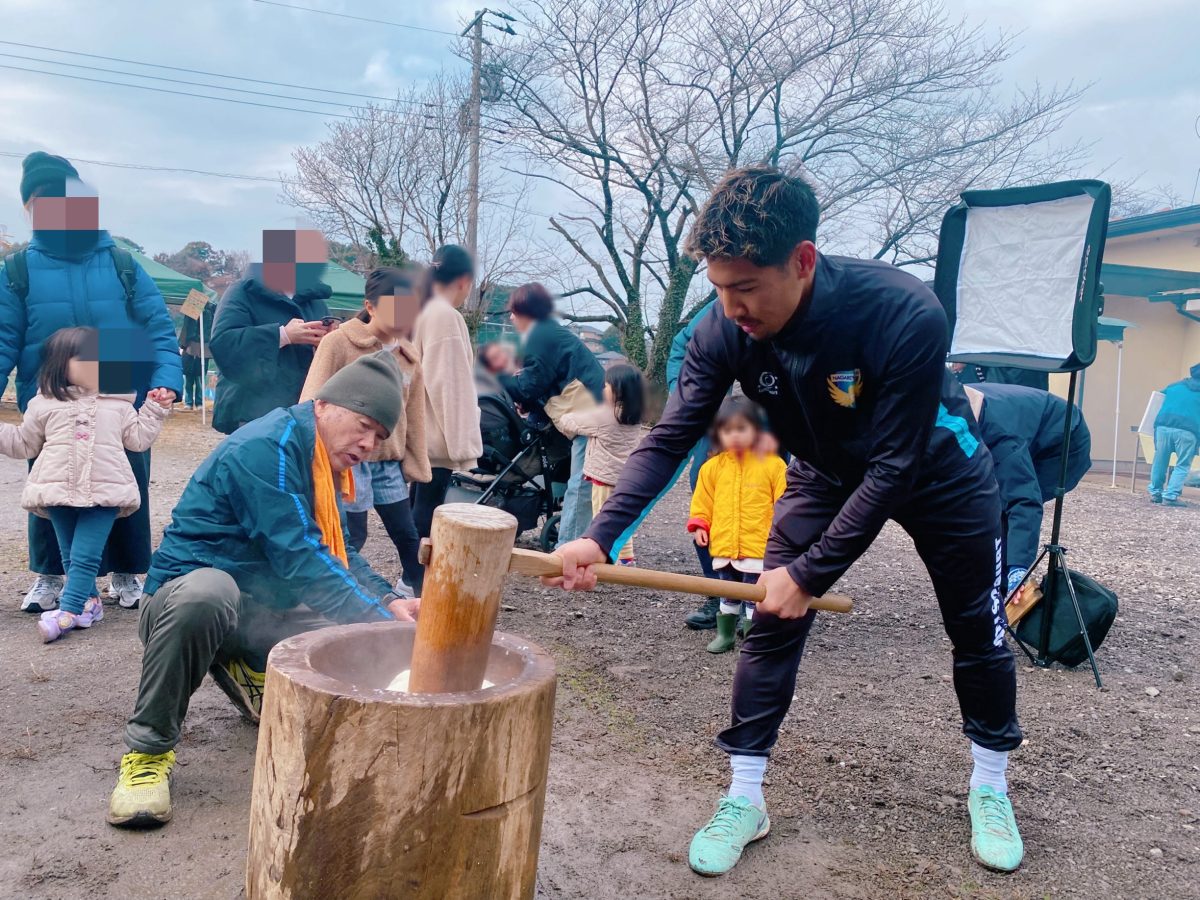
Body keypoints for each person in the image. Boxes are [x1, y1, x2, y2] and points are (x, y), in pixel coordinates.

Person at [549, 166, 1023, 877]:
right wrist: (598, 533)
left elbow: (893, 470)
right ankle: (745, 796)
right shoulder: (720, 331)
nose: (731, 306)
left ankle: (990, 782)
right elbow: (673, 435)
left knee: (976, 629)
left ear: (802, 261)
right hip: (823, 472)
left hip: (937, 472)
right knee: (771, 620)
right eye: (718, 288)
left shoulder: (904, 312)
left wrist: (809, 574)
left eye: (746, 288)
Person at [106, 352, 420, 828]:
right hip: (179, 604)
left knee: (332, 635)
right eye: (363, 425)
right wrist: (380, 626)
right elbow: (300, 558)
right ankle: (148, 752)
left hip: (253, 606)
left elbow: (333, 551)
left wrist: (389, 600)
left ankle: (247, 662)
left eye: (379, 436)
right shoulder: (266, 449)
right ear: (324, 405)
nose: (369, 444)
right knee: (209, 595)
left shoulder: (316, 456)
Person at [0, 152, 182, 614]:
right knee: (50, 483)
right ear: (29, 211)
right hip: (50, 395)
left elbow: (159, 328)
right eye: (40, 202)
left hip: (121, 392)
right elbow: (3, 338)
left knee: (124, 480)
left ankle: (126, 570)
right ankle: (51, 576)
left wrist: (166, 382)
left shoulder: (122, 262)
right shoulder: (17, 270)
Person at [0, 327, 172, 641]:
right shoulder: (43, 403)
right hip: (57, 491)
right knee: (69, 555)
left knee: (84, 555)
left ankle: (68, 611)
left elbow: (138, 440)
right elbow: (24, 444)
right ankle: (90, 602)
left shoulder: (119, 403)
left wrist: (154, 409)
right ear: (61, 363)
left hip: (105, 492)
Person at [301, 267, 431, 595]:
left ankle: (416, 592)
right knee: (351, 535)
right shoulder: (339, 343)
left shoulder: (409, 358)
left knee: (407, 534)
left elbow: (414, 417)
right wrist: (310, 453)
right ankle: (346, 598)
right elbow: (311, 399)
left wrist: (416, 462)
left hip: (387, 461)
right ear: (371, 307)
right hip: (349, 460)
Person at [500, 283, 605, 547]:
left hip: (591, 418)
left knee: (582, 485)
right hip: (589, 413)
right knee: (585, 484)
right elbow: (547, 382)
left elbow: (529, 386)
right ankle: (580, 541)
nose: (511, 318)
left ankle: (567, 548)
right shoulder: (548, 334)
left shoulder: (542, 337)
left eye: (513, 311)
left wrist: (499, 377)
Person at [963, 383, 1091, 598]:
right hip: (1028, 425)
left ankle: (1008, 581)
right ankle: (992, 578)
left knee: (1007, 501)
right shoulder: (947, 404)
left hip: (1065, 440)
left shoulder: (1001, 437)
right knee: (989, 500)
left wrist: (1018, 567)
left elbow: (1024, 500)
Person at [209, 228, 335, 436]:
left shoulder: (315, 300)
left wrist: (327, 340)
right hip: (251, 411)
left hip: (301, 409)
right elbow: (224, 343)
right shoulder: (242, 291)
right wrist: (282, 335)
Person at [687, 397, 787, 653]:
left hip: (758, 545)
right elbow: (703, 500)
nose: (734, 436)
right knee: (727, 591)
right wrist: (700, 525)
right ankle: (726, 634)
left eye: (741, 429)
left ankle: (754, 635)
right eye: (727, 431)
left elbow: (785, 502)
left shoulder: (773, 466)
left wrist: (782, 534)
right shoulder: (712, 468)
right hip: (724, 544)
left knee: (756, 595)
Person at [409, 245, 482, 554]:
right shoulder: (444, 316)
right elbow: (449, 386)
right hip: (436, 435)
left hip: (420, 428)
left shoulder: (422, 309)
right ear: (464, 280)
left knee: (418, 505)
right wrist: (463, 447)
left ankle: (408, 580)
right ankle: (413, 584)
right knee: (427, 511)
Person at [558, 363, 646, 566]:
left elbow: (570, 422)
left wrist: (564, 414)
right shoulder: (633, 415)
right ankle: (626, 558)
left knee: (602, 519)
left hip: (604, 478)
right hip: (624, 476)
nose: (603, 389)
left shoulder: (605, 416)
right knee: (620, 518)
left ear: (618, 390)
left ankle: (616, 559)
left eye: (606, 386)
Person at [1148, 363, 1200, 507]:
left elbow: (1157, 398)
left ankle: (1155, 493)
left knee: (1160, 461)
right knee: (1182, 465)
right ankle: (1170, 496)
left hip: (1163, 426)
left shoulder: (1175, 386)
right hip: (1188, 431)